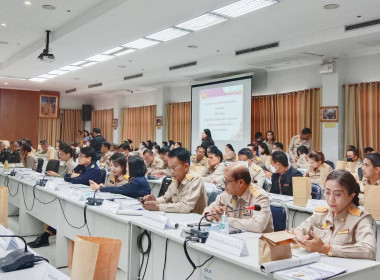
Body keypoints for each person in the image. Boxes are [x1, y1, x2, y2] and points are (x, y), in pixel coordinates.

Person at [290, 170, 376, 260]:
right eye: (327, 193)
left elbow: (368, 250)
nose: (331, 199)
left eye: (337, 194)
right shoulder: (321, 214)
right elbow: (299, 231)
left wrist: (327, 249)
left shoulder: (361, 219)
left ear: (351, 195)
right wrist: (298, 236)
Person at [203, 163, 273, 233]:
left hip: (257, 241)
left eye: (226, 181)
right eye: (223, 180)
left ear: (240, 182)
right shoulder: (229, 192)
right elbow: (208, 210)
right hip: (234, 238)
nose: (224, 185)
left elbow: (257, 226)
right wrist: (211, 215)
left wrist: (226, 219)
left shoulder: (260, 197)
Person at [142, 148, 207, 214]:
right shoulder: (176, 178)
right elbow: (165, 199)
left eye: (173, 168)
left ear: (186, 166)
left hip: (194, 221)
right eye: (169, 168)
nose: (171, 172)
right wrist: (154, 200)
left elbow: (186, 207)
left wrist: (158, 207)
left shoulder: (195, 180)